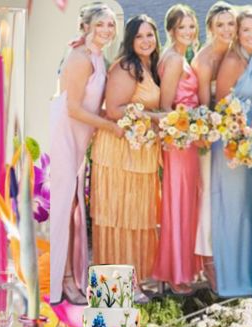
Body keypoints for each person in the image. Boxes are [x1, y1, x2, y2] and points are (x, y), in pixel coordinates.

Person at [49, 4, 120, 304]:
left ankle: (73, 274)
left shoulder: (97, 56)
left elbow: (93, 104)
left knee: (75, 204)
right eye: (101, 24)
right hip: (66, 133)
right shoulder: (79, 58)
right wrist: (108, 125)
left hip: (82, 134)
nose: (106, 30)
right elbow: (73, 108)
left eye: (110, 25)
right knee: (64, 206)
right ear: (86, 26)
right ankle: (63, 280)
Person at [90, 15, 162, 289]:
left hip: (139, 152)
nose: (146, 41)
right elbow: (114, 110)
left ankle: (136, 279)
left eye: (150, 35)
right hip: (120, 153)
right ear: (130, 41)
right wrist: (156, 118)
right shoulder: (126, 66)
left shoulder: (149, 65)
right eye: (140, 36)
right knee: (120, 215)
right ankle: (115, 285)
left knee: (138, 216)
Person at [211, 6, 252, 296]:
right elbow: (222, 106)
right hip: (232, 147)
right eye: (246, 29)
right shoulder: (232, 61)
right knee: (233, 209)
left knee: (249, 209)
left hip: (251, 147)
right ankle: (233, 276)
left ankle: (249, 270)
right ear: (238, 33)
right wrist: (236, 144)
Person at [153, 5, 201, 290]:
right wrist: (185, 127)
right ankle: (175, 273)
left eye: (191, 26)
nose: (187, 32)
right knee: (178, 203)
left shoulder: (182, 57)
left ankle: (181, 267)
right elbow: (165, 107)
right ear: (170, 30)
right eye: (181, 27)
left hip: (189, 139)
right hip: (179, 141)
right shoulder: (172, 60)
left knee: (186, 203)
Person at [192, 2, 237, 287]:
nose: (226, 29)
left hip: (237, 137)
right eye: (220, 24)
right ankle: (209, 261)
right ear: (210, 28)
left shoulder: (239, 54)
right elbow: (202, 106)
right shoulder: (204, 60)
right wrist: (219, 131)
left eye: (230, 24)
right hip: (210, 138)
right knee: (211, 195)